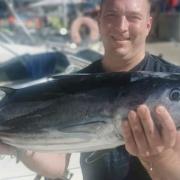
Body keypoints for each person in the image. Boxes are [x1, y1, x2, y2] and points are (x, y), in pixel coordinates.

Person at [0, 0, 180, 180]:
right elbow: (57, 166)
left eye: (133, 17)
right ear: (99, 20)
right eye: (111, 15)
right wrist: (18, 149)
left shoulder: (172, 80)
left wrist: (160, 157)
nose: (121, 26)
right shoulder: (75, 83)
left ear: (148, 25)